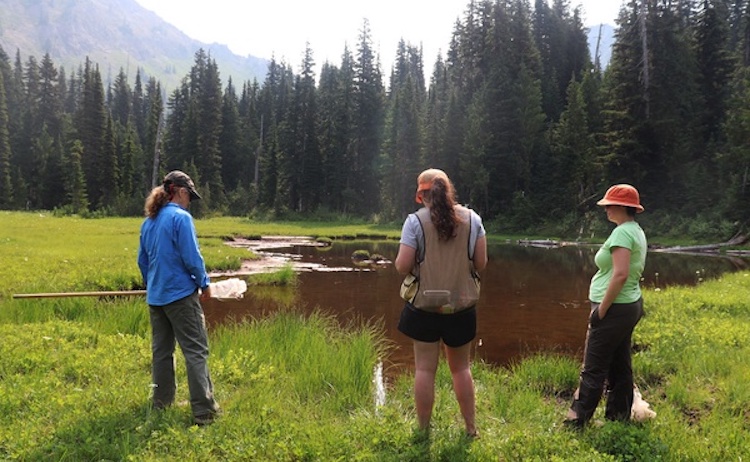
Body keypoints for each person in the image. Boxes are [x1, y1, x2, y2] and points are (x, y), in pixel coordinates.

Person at [395, 168, 488, 438]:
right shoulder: (473, 220)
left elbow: (403, 266)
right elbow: (481, 264)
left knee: (425, 369)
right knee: (461, 369)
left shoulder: (414, 222)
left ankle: (424, 430)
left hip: (424, 307)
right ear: (448, 191)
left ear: (422, 195)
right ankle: (471, 429)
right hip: (461, 307)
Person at [137, 170, 221, 426]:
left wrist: (152, 283)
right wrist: (204, 284)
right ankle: (204, 413)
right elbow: (191, 257)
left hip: (156, 298)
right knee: (196, 350)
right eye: (190, 197)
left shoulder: (149, 221)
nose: (190, 202)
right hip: (180, 297)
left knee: (161, 352)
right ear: (181, 192)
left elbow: (143, 261)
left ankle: (161, 403)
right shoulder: (181, 218)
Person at [565, 184, 647, 429]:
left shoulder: (623, 233)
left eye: (609, 205)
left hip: (614, 307)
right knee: (620, 365)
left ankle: (575, 422)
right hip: (629, 306)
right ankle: (618, 417)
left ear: (623, 207)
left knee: (593, 368)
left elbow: (620, 274)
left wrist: (601, 311)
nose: (606, 210)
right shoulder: (635, 230)